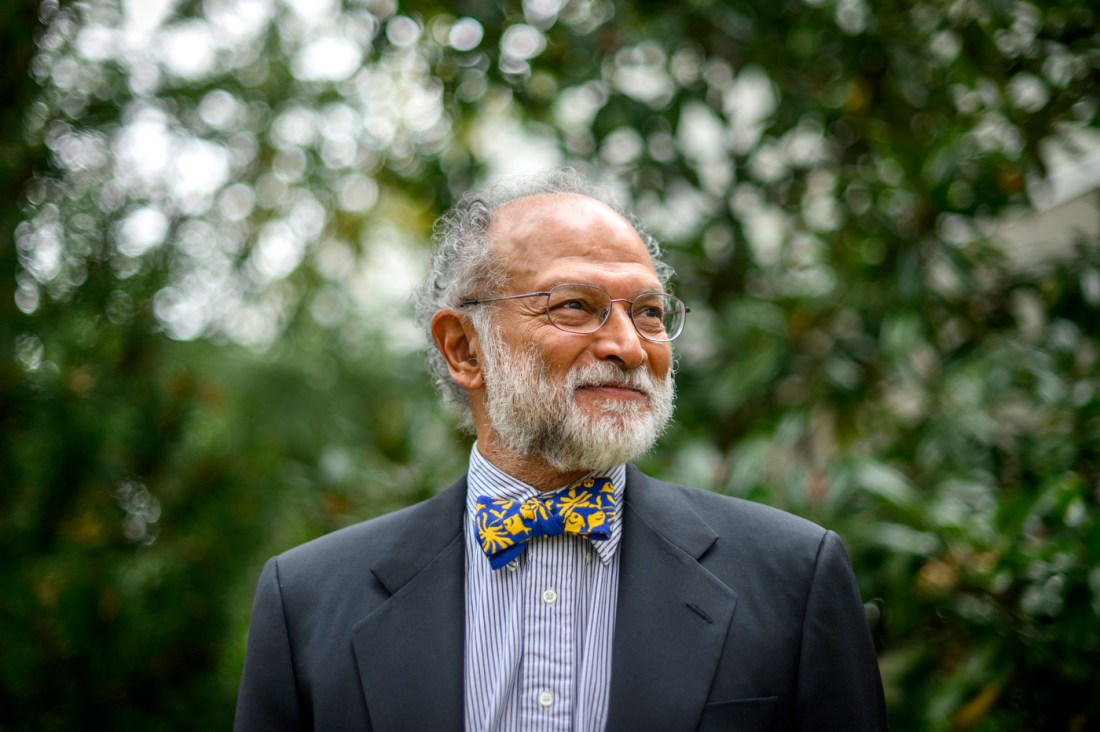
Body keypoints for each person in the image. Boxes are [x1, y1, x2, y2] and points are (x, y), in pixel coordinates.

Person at [233, 170, 889, 731]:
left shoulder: (795, 578)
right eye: (577, 306)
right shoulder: (308, 600)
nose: (630, 347)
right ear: (465, 348)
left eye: (650, 312)